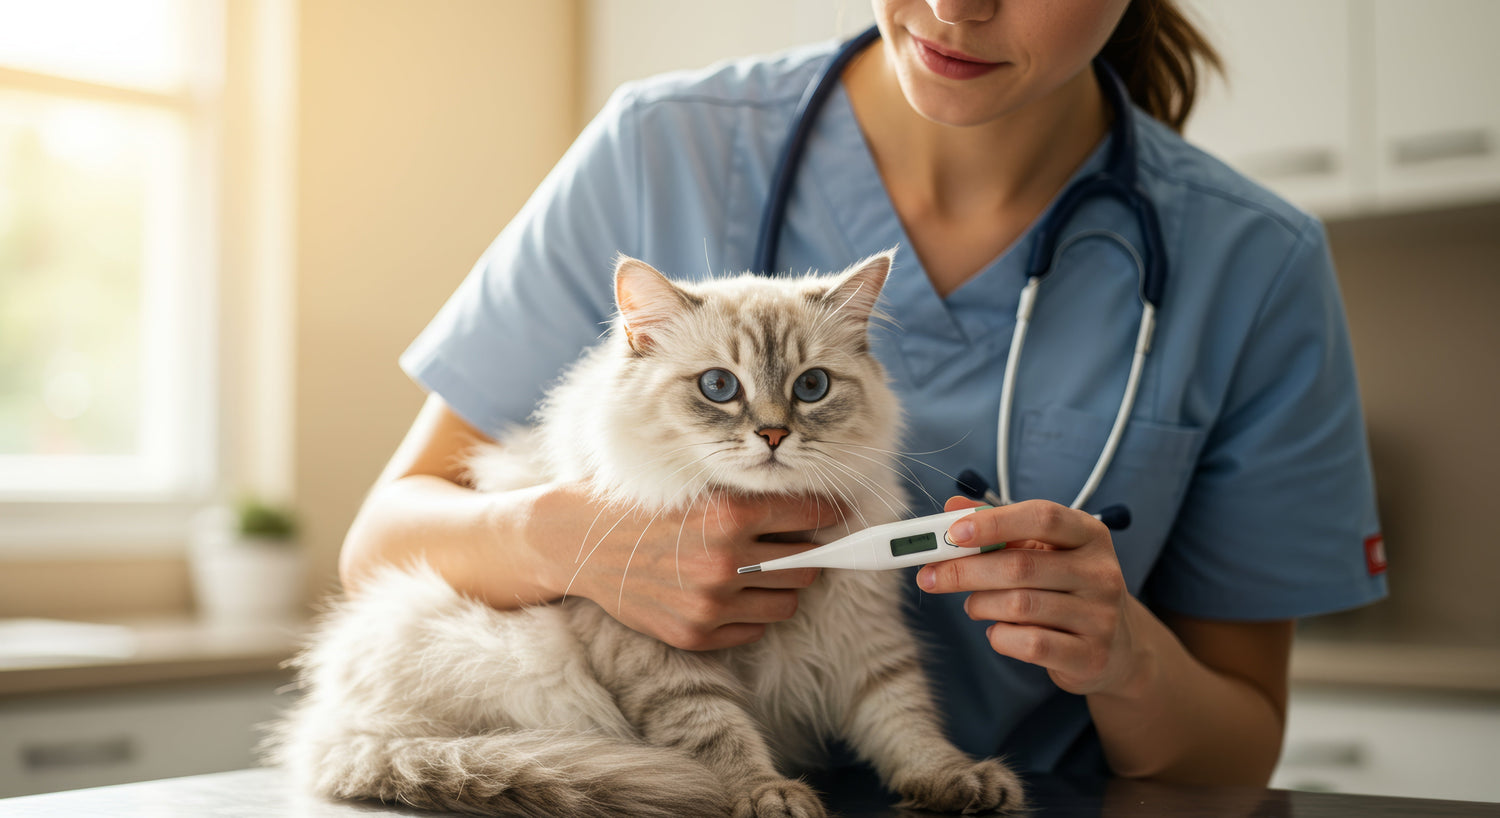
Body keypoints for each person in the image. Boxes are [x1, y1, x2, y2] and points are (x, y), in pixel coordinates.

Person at [340, 0, 1386, 788]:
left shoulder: (1254, 264)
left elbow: (1237, 754)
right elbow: (380, 545)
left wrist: (1127, 657)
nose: (955, 8)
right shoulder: (660, 146)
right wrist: (576, 543)